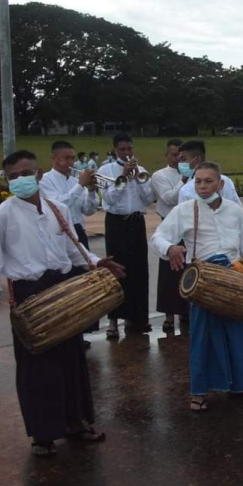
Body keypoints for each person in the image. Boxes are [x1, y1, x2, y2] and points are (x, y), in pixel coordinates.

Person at [0, 150, 124, 456]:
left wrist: (97, 262)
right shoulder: (0, 216)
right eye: (13, 176)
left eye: (25, 173)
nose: (20, 180)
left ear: (38, 173)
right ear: (7, 180)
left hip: (62, 288)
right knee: (37, 367)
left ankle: (76, 422)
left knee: (71, 359)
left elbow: (74, 251)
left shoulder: (57, 209)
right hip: (29, 293)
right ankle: (43, 434)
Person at [151, 162, 243, 411]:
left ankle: (241, 384)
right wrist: (171, 248)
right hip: (205, 283)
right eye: (198, 181)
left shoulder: (233, 210)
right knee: (203, 337)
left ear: (220, 184)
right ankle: (199, 392)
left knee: (238, 332)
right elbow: (158, 237)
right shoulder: (184, 210)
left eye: (208, 181)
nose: (202, 186)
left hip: (235, 279)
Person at [96, 133, 154, 338]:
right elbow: (109, 200)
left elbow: (148, 198)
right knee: (116, 270)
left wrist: (138, 179)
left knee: (138, 270)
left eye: (130, 149)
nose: (127, 153)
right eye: (123, 149)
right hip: (116, 223)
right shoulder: (105, 170)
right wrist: (122, 177)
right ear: (115, 150)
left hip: (136, 222)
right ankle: (113, 321)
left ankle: (137, 318)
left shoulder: (143, 170)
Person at [150, 139, 187, 330]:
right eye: (173, 155)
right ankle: (169, 315)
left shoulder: (193, 173)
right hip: (169, 225)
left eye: (181, 156)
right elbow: (169, 198)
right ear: (167, 155)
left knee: (187, 271)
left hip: (188, 226)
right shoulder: (160, 175)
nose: (177, 159)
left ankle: (186, 312)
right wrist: (184, 180)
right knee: (169, 274)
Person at [40, 140, 99, 250]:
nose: (71, 162)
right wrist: (81, 185)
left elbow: (88, 211)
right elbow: (57, 206)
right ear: (53, 158)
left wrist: (91, 191)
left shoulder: (76, 181)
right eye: (66, 158)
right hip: (58, 233)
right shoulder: (44, 180)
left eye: (72, 158)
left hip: (79, 231)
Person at [177, 140, 241, 205]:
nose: (180, 164)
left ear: (197, 160)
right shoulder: (226, 180)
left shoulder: (186, 190)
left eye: (183, 159)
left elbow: (237, 210)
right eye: (198, 182)